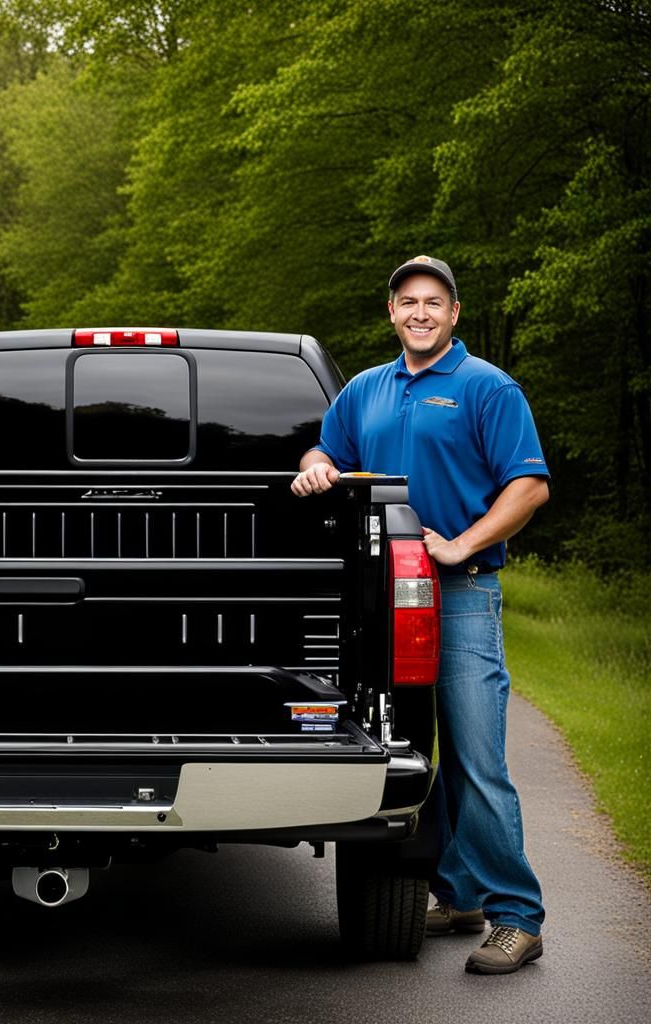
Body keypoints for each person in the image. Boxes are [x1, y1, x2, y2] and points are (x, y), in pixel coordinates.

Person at [291, 255, 550, 975]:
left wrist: (462, 542)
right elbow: (327, 445)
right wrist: (315, 462)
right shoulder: (366, 390)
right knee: (410, 752)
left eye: (434, 302)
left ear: (454, 313)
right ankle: (458, 892)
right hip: (381, 604)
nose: (421, 313)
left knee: (476, 759)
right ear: (392, 311)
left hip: (460, 594)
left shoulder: (487, 388)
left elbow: (528, 486)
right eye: (409, 302)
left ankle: (516, 917)